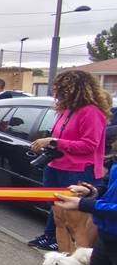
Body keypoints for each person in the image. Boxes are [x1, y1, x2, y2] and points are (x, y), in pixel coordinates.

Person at [28, 69, 110, 251]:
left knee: (76, 224)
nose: (57, 93)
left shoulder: (91, 112)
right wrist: (51, 144)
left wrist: (55, 142)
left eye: (62, 89)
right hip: (56, 168)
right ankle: (63, 263)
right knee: (60, 220)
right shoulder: (65, 110)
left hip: (78, 172)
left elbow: (89, 145)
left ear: (75, 89)